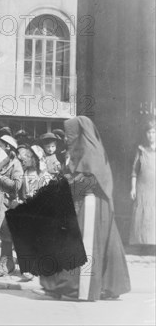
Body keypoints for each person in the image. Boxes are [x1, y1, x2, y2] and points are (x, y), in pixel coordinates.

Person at [36, 116, 131, 301]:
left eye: (69, 133)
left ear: (79, 133)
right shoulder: (81, 150)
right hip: (86, 204)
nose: (66, 138)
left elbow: (87, 181)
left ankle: (74, 287)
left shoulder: (90, 153)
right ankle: (98, 286)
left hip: (90, 205)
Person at [10, 145, 52, 282]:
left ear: (35, 159)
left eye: (27, 157)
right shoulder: (25, 173)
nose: (23, 159)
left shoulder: (44, 175)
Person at [129, 119, 155, 248]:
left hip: (154, 187)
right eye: (149, 132)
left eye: (154, 132)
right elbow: (134, 170)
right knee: (142, 213)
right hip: (142, 187)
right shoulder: (141, 150)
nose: (151, 135)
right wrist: (133, 188)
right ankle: (141, 243)